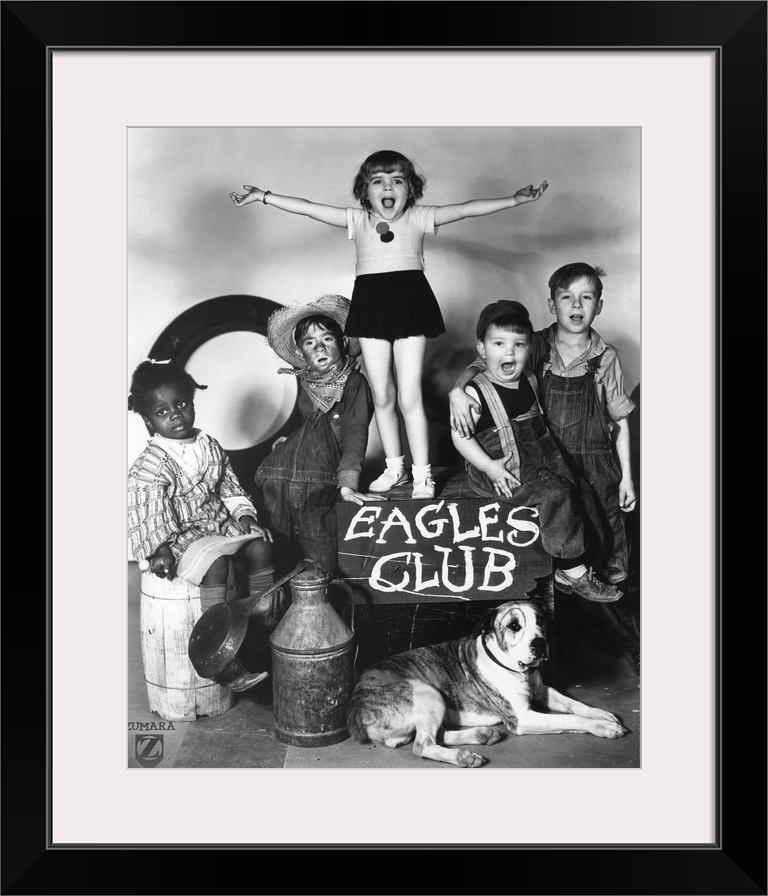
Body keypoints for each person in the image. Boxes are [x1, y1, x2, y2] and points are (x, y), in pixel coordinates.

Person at [230, 149, 548, 499]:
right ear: (364, 191)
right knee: (382, 394)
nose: (388, 188)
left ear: (410, 189)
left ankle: (422, 474)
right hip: (371, 306)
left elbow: (466, 209)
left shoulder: (419, 217)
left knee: (410, 396)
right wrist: (264, 196)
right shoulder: (357, 220)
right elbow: (308, 207)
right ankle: (395, 468)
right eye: (378, 181)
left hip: (411, 304)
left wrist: (514, 201)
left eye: (397, 181)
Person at [449, 263, 636, 587]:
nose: (576, 305)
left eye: (586, 297)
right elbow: (488, 359)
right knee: (560, 528)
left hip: (594, 462)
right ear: (552, 304)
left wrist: (627, 477)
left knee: (606, 550)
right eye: (567, 297)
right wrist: (457, 389)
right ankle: (571, 580)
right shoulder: (534, 344)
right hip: (546, 455)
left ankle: (599, 594)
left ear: (599, 306)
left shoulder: (605, 357)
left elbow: (620, 420)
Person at [127, 359, 278, 626]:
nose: (175, 414)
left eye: (181, 404)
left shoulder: (209, 446)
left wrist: (245, 517)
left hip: (218, 524)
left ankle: (261, 612)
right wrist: (161, 548)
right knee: (216, 564)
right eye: (162, 412)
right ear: (149, 421)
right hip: (181, 535)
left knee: (261, 547)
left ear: (193, 404)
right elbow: (149, 510)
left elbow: (228, 486)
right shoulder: (151, 464)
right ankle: (216, 626)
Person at [253, 294, 384, 578]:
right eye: (310, 343)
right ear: (301, 353)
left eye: (327, 338)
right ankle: (279, 599)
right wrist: (290, 441)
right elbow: (307, 425)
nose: (320, 347)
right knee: (281, 546)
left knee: (318, 548)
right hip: (283, 476)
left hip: (321, 479)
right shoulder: (306, 382)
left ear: (342, 342)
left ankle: (320, 598)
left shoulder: (354, 382)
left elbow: (354, 435)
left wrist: (347, 484)